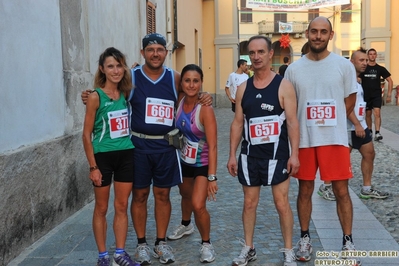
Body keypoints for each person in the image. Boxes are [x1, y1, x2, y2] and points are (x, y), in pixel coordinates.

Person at [81, 33, 212, 265]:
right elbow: (107, 91)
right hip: (137, 146)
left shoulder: (175, 77)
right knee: (139, 196)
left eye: (160, 49)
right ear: (143, 53)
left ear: (166, 52)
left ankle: (161, 243)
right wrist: (88, 95)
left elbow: (191, 92)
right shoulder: (130, 76)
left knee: (163, 195)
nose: (155, 53)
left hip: (165, 147)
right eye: (150, 49)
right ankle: (141, 244)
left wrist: (204, 96)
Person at [284, 17, 361, 265]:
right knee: (304, 189)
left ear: (331, 35)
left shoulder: (343, 65)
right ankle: (305, 238)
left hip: (334, 138)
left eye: (323, 32)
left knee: (341, 191)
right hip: (305, 139)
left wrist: (334, 118)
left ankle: (348, 241)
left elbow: (349, 100)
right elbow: (290, 104)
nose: (318, 36)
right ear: (307, 33)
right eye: (314, 31)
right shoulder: (294, 69)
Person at [227, 35, 300, 266]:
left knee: (281, 203)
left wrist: (294, 154)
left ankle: (288, 249)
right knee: (249, 203)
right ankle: (248, 247)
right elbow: (238, 122)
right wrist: (231, 154)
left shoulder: (283, 86)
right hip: (250, 156)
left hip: (277, 156)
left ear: (270, 54)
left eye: (261, 52)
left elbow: (292, 122)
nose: (256, 57)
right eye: (252, 53)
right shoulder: (242, 88)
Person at [82, 47, 139, 266]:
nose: (115, 70)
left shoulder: (126, 93)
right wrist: (93, 167)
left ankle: (120, 254)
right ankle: (103, 256)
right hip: (103, 157)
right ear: (102, 69)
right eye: (110, 66)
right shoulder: (95, 96)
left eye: (119, 65)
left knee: (122, 206)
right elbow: (86, 135)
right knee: (102, 208)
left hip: (126, 154)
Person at [317, 48, 389, 201]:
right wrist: (356, 124)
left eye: (366, 61)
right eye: (361, 61)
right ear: (352, 62)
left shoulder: (357, 80)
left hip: (360, 125)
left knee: (369, 154)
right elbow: (346, 106)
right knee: (338, 160)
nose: (365, 64)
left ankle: (367, 188)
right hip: (348, 127)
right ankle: (326, 187)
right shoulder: (346, 81)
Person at [172, 64, 218, 263]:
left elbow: (214, 145)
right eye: (187, 80)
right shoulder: (180, 100)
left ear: (201, 83)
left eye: (196, 81)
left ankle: (206, 244)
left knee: (198, 204)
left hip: (202, 163)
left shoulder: (205, 109)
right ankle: (185, 224)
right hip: (183, 160)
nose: (191, 85)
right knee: (185, 195)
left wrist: (212, 177)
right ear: (181, 83)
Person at [360, 48, 394, 141]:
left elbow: (390, 81)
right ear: (368, 55)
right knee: (368, 114)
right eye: (370, 54)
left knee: (377, 113)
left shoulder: (380, 68)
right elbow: (357, 78)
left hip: (376, 95)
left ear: (376, 55)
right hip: (366, 95)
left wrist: (389, 94)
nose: (372, 56)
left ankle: (378, 132)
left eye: (374, 54)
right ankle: (369, 131)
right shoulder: (364, 68)